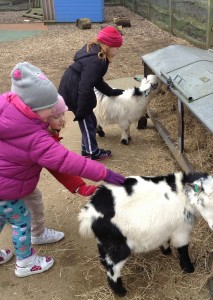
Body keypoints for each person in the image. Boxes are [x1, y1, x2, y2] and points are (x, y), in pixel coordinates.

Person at [0, 61, 125, 277]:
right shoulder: (35, 137)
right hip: (6, 188)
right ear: (36, 108)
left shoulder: (9, 108)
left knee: (9, 213)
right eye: (50, 109)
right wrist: (106, 174)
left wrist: (78, 186)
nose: (57, 115)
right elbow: (67, 161)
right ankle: (26, 261)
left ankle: (37, 234)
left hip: (11, 181)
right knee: (21, 221)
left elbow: (57, 166)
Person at [24, 95, 98, 246]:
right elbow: (59, 166)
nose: (62, 119)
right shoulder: (41, 140)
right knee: (32, 199)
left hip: (13, 178)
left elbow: (57, 166)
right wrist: (80, 185)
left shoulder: (37, 132)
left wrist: (78, 185)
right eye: (56, 116)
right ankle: (37, 235)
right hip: (14, 181)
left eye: (63, 114)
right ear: (42, 118)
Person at [59, 26, 124, 160]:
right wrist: (82, 108)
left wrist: (110, 92)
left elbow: (96, 80)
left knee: (90, 121)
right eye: (117, 47)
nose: (118, 50)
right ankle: (92, 152)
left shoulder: (97, 53)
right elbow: (85, 86)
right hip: (74, 90)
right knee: (87, 121)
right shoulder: (96, 60)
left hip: (74, 86)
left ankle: (87, 149)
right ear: (109, 45)